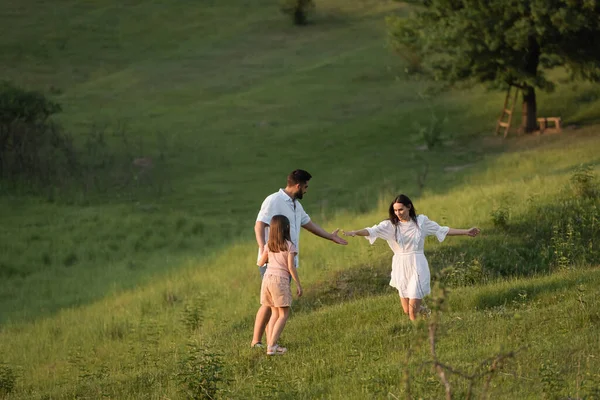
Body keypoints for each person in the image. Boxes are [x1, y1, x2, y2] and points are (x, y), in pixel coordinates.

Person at [343, 194, 480, 321]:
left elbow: (442, 229)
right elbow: (371, 230)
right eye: (395, 210)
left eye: (400, 209)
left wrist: (466, 231)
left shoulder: (421, 222)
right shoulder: (390, 225)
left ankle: (421, 338)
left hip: (417, 265)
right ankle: (430, 315)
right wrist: (355, 232)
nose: (398, 213)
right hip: (400, 266)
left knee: (413, 312)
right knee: (407, 311)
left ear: (409, 207)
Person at [251, 169, 348, 348]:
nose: (306, 190)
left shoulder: (296, 205)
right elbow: (259, 225)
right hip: (271, 261)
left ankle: (269, 342)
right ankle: (260, 342)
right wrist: (263, 248)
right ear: (297, 185)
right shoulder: (274, 200)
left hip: (286, 262)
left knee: (274, 304)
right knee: (272, 305)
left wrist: (330, 236)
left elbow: (308, 224)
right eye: (305, 186)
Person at [256, 215, 301, 355]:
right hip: (280, 281)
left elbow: (260, 263)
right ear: (286, 228)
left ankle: (271, 344)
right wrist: (299, 284)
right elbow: (291, 267)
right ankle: (272, 346)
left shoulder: (269, 244)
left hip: (267, 280)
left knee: (274, 312)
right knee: (284, 314)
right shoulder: (290, 246)